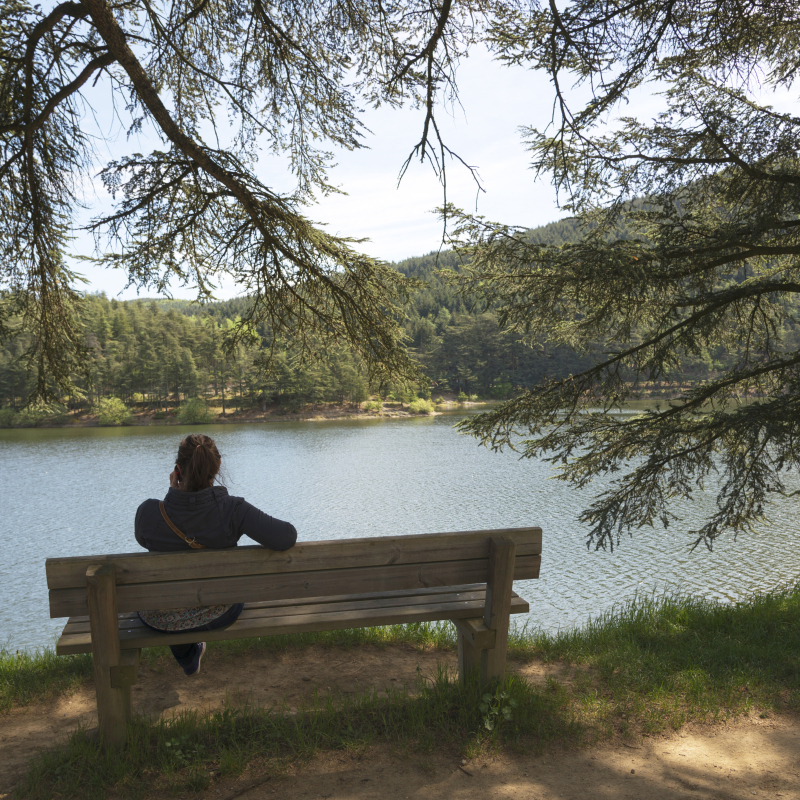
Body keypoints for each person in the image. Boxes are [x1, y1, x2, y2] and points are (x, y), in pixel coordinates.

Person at [134, 433, 297, 676]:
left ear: (177, 470)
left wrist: (173, 496)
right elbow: (286, 537)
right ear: (217, 466)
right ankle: (191, 656)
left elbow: (143, 539)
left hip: (161, 616)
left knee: (173, 600)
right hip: (218, 611)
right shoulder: (234, 510)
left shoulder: (148, 512)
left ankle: (188, 658)